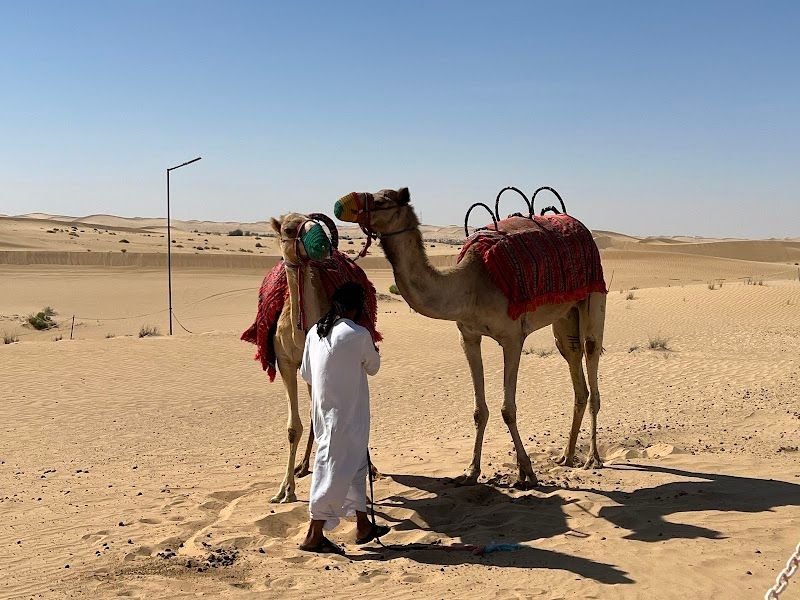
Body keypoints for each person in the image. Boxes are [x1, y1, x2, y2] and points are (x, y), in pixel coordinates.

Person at [299, 282, 390, 554]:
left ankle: (363, 525)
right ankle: (313, 534)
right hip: (346, 416)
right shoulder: (358, 334)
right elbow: (373, 367)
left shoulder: (314, 332)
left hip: (325, 414)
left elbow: (306, 374)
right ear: (357, 307)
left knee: (357, 467)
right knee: (331, 471)